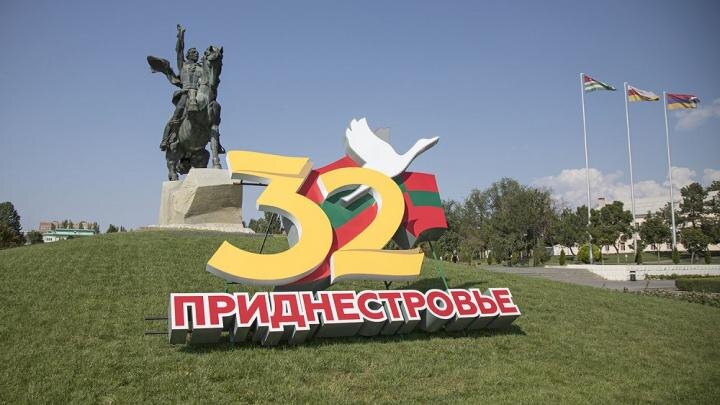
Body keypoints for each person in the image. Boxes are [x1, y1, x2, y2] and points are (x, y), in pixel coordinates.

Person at [159, 25, 203, 151]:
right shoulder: (182, 65)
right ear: (188, 55)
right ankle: (165, 139)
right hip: (185, 93)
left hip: (198, 94)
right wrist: (181, 36)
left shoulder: (201, 68)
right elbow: (179, 51)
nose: (196, 54)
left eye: (197, 53)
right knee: (178, 113)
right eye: (193, 52)